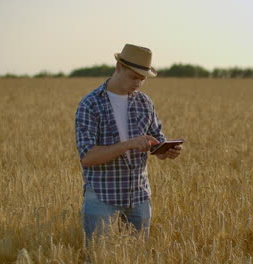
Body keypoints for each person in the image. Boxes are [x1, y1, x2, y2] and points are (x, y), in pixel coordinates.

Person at [75, 44, 183, 242]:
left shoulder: (145, 103)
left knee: (137, 257)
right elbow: (88, 158)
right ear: (118, 67)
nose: (138, 84)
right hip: (101, 197)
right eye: (134, 77)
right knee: (99, 257)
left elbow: (156, 142)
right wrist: (128, 144)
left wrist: (166, 151)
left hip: (138, 197)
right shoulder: (90, 104)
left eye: (142, 79)